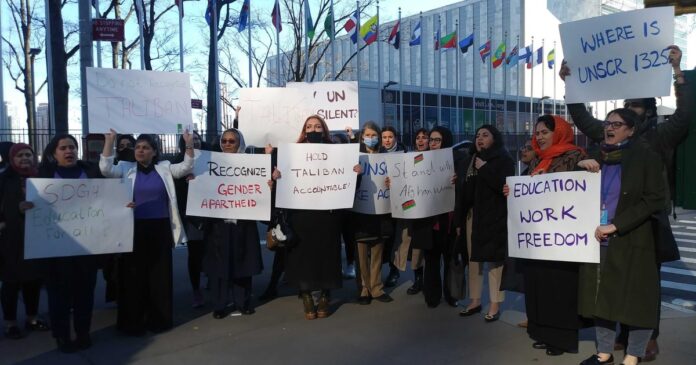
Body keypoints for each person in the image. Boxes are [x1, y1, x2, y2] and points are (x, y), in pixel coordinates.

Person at [561, 44, 691, 362]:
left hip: (646, 223)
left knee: (643, 287)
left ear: (645, 111)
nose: (615, 122)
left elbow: (685, 115)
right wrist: (570, 83)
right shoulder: (608, 137)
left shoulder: (657, 138)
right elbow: (583, 117)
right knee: (610, 283)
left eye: (636, 105)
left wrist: (677, 73)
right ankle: (613, 342)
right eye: (626, 104)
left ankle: (646, 339)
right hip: (608, 226)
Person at [576, 108, 666, 365]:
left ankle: (632, 355)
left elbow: (655, 199)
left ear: (631, 129)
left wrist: (617, 225)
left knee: (636, 300)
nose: (609, 127)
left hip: (633, 239)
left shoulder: (646, 156)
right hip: (598, 239)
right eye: (607, 123)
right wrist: (580, 165)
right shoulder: (597, 155)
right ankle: (604, 354)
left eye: (616, 123)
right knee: (601, 297)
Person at [100, 129, 193, 335]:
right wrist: (109, 141)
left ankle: (158, 319)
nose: (140, 150)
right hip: (133, 229)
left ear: (154, 152)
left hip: (159, 229)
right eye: (138, 147)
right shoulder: (125, 167)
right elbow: (105, 169)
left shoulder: (165, 168)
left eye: (145, 148)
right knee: (133, 277)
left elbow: (187, 166)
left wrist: (188, 143)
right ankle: (133, 323)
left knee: (158, 276)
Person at [271, 115, 359, 320]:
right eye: (309, 126)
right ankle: (307, 294)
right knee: (302, 255)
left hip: (328, 214)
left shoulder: (336, 152)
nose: (313, 129)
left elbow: (348, 180)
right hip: (301, 213)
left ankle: (326, 295)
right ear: (304, 130)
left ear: (324, 129)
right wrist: (275, 178)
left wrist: (356, 172)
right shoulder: (291, 152)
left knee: (327, 254)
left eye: (317, 126)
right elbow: (281, 181)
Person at [518, 115, 587, 356]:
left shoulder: (576, 156)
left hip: (563, 239)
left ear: (558, 132)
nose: (539, 136)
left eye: (545, 132)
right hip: (539, 239)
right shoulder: (537, 158)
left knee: (560, 288)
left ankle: (561, 339)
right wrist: (513, 191)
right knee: (539, 285)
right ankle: (542, 332)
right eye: (537, 132)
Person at [33, 134, 104, 352]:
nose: (69, 151)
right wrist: (24, 207)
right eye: (63, 148)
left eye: (72, 147)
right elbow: (34, 208)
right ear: (54, 153)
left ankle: (83, 333)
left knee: (85, 295)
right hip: (56, 251)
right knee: (58, 297)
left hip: (87, 248)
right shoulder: (42, 175)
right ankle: (62, 335)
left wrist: (123, 205)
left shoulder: (91, 171)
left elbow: (108, 200)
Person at [202, 128, 263, 318]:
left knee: (243, 262)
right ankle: (219, 305)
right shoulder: (210, 164)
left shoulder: (250, 164)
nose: (227, 144)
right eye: (225, 141)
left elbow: (258, 186)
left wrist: (266, 185)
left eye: (232, 141)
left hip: (242, 223)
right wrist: (195, 181)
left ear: (239, 143)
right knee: (218, 265)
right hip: (218, 223)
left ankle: (242, 302)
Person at [458, 125, 514, 321]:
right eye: (477, 135)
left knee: (494, 261)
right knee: (474, 261)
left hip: (494, 216)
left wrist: (485, 169)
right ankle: (474, 300)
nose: (479, 139)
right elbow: (464, 192)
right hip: (473, 216)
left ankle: (494, 304)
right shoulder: (469, 160)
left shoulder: (503, 159)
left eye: (485, 135)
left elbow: (504, 187)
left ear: (494, 139)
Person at [0, 143, 50, 340]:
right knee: (11, 283)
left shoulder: (39, 177)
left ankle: (32, 318)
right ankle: (10, 323)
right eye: (20, 155)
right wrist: (14, 212)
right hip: (10, 240)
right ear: (12, 158)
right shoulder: (3, 179)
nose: (25, 159)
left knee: (33, 280)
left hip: (36, 236)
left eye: (28, 154)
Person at [417, 126, 459, 308]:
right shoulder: (418, 161)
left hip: (449, 221)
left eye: (437, 140)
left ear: (446, 141)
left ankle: (452, 296)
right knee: (432, 261)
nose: (432, 143)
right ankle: (432, 296)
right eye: (431, 140)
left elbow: (465, 188)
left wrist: (458, 181)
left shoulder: (457, 160)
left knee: (450, 260)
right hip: (430, 222)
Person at [352, 121, 393, 305]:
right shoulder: (355, 156)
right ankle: (363, 288)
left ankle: (376, 287)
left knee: (377, 251)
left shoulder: (386, 157)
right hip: (360, 211)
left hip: (380, 211)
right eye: (367, 135)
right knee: (361, 253)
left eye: (373, 135)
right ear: (362, 137)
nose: (371, 138)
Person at [173, 131, 208, 308]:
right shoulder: (178, 162)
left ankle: (212, 281)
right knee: (195, 254)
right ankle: (196, 289)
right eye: (190, 140)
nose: (195, 142)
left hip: (211, 213)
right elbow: (174, 190)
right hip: (192, 216)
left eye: (197, 139)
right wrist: (186, 183)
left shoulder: (210, 158)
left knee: (212, 251)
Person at [392, 128, 429, 295]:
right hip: (411, 206)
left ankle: (429, 280)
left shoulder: (437, 159)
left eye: (424, 138)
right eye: (418, 138)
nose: (420, 141)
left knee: (425, 248)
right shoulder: (409, 159)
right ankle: (418, 279)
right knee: (413, 246)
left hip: (430, 209)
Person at [379, 126, 405, 287]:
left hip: (397, 203)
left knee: (396, 239)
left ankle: (393, 270)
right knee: (384, 238)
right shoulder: (376, 154)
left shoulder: (404, 155)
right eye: (384, 137)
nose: (387, 140)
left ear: (395, 138)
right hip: (381, 202)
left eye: (390, 136)